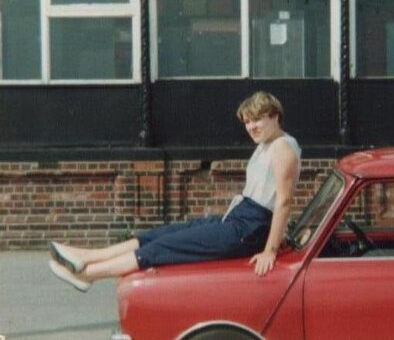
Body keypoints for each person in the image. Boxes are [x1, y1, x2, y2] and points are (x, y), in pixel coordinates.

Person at [48, 91, 301, 292]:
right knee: (160, 234)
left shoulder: (282, 148)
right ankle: (88, 256)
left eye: (257, 119)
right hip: (239, 217)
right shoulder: (268, 144)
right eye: (247, 122)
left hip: (249, 228)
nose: (251, 127)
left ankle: (86, 274)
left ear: (275, 116)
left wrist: (270, 250)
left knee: (169, 246)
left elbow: (284, 202)